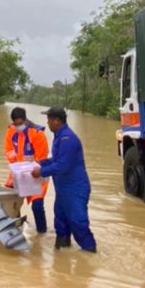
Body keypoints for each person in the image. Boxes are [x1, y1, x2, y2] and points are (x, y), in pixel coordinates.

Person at [30, 106, 96, 251]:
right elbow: (57, 160)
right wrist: (41, 162)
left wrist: (41, 171)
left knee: (78, 223)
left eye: (49, 120)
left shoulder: (68, 138)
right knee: (60, 222)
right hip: (63, 190)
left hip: (74, 190)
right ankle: (62, 253)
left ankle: (90, 253)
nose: (47, 123)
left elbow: (63, 166)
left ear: (57, 121)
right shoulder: (59, 136)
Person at [4, 106, 50, 233]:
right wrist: (13, 159)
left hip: (36, 174)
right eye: (15, 124)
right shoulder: (11, 131)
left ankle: (42, 232)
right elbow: (8, 150)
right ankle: (15, 227)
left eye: (20, 123)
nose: (18, 126)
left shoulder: (37, 133)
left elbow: (42, 159)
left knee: (37, 206)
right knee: (9, 201)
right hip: (18, 173)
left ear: (25, 120)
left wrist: (30, 168)